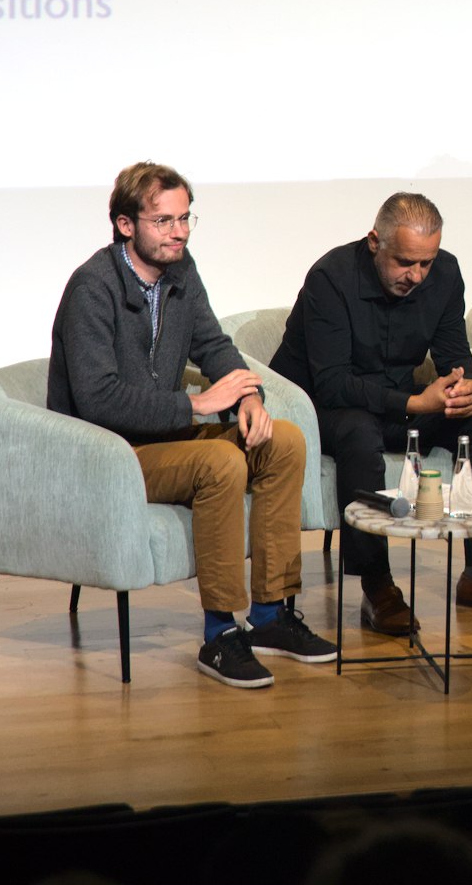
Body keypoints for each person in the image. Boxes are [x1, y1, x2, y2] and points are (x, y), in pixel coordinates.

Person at [47, 161, 334, 688]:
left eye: (185, 218)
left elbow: (213, 344)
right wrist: (198, 406)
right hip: (108, 453)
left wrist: (246, 394)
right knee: (221, 460)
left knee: (285, 442)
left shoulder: (181, 270)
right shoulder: (92, 287)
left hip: (165, 439)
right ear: (126, 224)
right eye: (163, 221)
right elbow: (97, 400)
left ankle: (271, 616)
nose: (178, 231)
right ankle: (220, 634)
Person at [270, 192, 472, 636]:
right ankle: (378, 586)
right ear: (374, 241)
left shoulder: (445, 273)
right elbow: (333, 383)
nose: (416, 275)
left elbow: (455, 351)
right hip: (326, 407)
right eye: (404, 262)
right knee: (359, 433)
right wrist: (416, 404)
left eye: (425, 263)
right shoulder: (331, 278)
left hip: (394, 401)